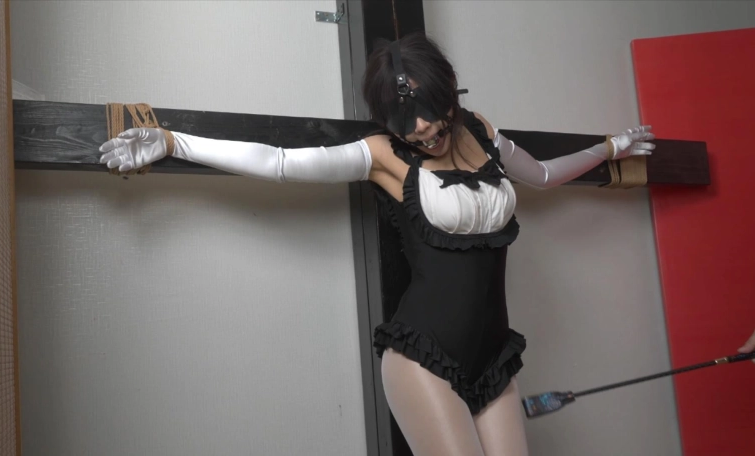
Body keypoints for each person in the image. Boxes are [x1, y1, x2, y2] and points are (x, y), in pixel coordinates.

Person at [99, 33, 655, 456]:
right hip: (423, 361)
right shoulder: (382, 155)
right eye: (410, 127)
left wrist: (610, 148)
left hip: (494, 360)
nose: (426, 133)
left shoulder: (481, 130)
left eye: (434, 120)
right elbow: (280, 162)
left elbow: (544, 175)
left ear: (449, 93)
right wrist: (173, 141)